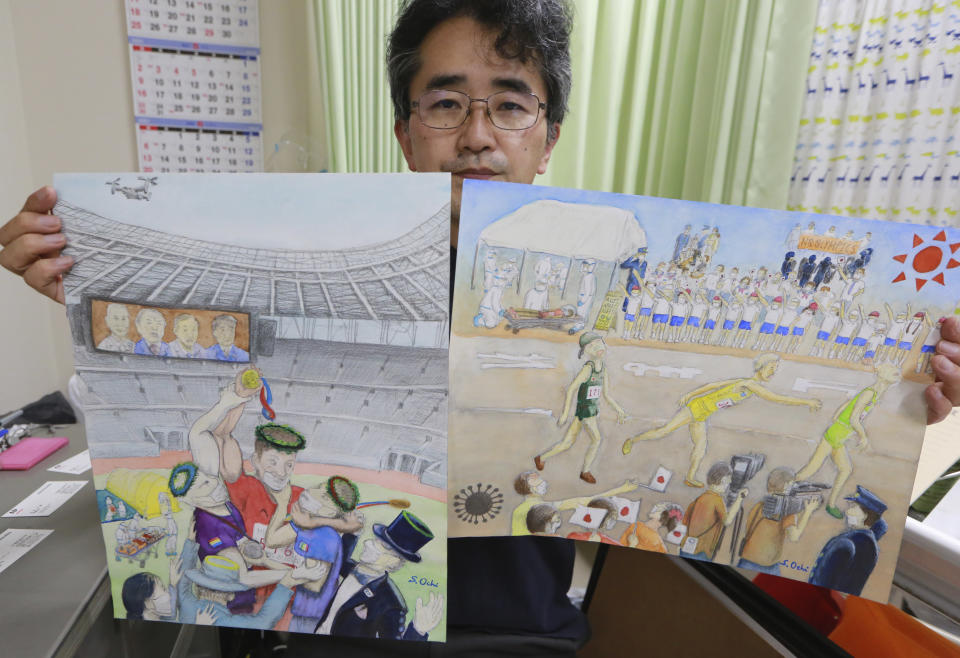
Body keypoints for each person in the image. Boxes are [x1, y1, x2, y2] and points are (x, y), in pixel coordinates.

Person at [2, 0, 959, 651]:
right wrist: (87, 279)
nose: (477, 135)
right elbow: (172, 381)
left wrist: (914, 374)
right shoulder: (290, 259)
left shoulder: (613, 269)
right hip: (317, 629)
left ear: (548, 137)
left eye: (511, 104)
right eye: (445, 102)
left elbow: (766, 403)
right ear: (402, 128)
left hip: (521, 632)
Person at [622, 353, 821, 487]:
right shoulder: (748, 384)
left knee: (700, 446)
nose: (773, 371)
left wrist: (691, 393)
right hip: (696, 408)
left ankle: (690, 477)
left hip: (703, 414)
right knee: (663, 431)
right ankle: (632, 440)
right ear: (761, 366)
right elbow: (776, 398)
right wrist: (807, 401)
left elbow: (714, 385)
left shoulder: (745, 383)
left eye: (775, 368)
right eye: (771, 367)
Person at [315, 511, 444, 641]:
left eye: (383, 545)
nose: (369, 544)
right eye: (376, 539)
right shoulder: (352, 569)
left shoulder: (391, 603)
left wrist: (417, 632)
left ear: (395, 561)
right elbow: (340, 561)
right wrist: (352, 532)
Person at [796, 363, 902, 517]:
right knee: (811, 470)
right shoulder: (870, 393)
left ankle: (830, 504)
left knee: (845, 469)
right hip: (835, 435)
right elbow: (854, 419)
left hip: (838, 436)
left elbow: (848, 404)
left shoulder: (874, 393)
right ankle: (785, 485)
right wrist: (863, 436)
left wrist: (837, 416)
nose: (897, 374)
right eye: (894, 372)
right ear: (883, 376)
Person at [535, 332, 627, 484]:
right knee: (597, 439)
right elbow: (571, 389)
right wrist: (565, 414)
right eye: (591, 346)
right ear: (585, 351)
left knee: (568, 442)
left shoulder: (603, 369)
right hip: (585, 410)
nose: (597, 347)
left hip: (591, 409)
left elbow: (606, 394)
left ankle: (541, 458)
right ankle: (585, 471)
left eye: (599, 342)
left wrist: (618, 409)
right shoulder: (588, 369)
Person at [736, 467, 820, 575]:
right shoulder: (786, 509)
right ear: (786, 486)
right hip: (769, 567)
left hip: (746, 561)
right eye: (792, 485)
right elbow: (794, 537)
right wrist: (808, 511)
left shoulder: (759, 505)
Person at [808, 485, 888, 596]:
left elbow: (821, 584)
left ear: (865, 515)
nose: (847, 512)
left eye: (853, 507)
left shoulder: (845, 544)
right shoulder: (871, 545)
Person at [511, 470, 638, 536]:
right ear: (530, 488)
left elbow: (581, 501)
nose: (542, 482)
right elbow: (584, 501)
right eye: (536, 481)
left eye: (539, 478)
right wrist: (621, 489)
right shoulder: (533, 508)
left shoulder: (528, 507)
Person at [679, 462, 748, 562]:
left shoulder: (700, 498)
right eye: (728, 482)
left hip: (686, 547)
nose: (728, 485)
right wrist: (739, 498)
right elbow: (727, 521)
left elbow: (685, 521)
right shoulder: (716, 500)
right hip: (701, 551)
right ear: (723, 480)